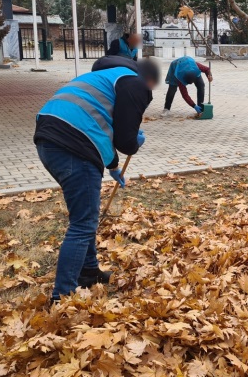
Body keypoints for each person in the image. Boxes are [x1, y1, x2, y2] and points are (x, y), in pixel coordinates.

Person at [34, 55, 160, 302]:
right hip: (73, 143)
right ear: (149, 79)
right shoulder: (135, 83)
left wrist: (113, 166)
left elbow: (99, 124)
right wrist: (135, 143)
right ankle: (62, 297)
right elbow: (125, 139)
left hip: (49, 139)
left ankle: (89, 271)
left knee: (84, 215)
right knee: (83, 223)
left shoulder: (105, 76)